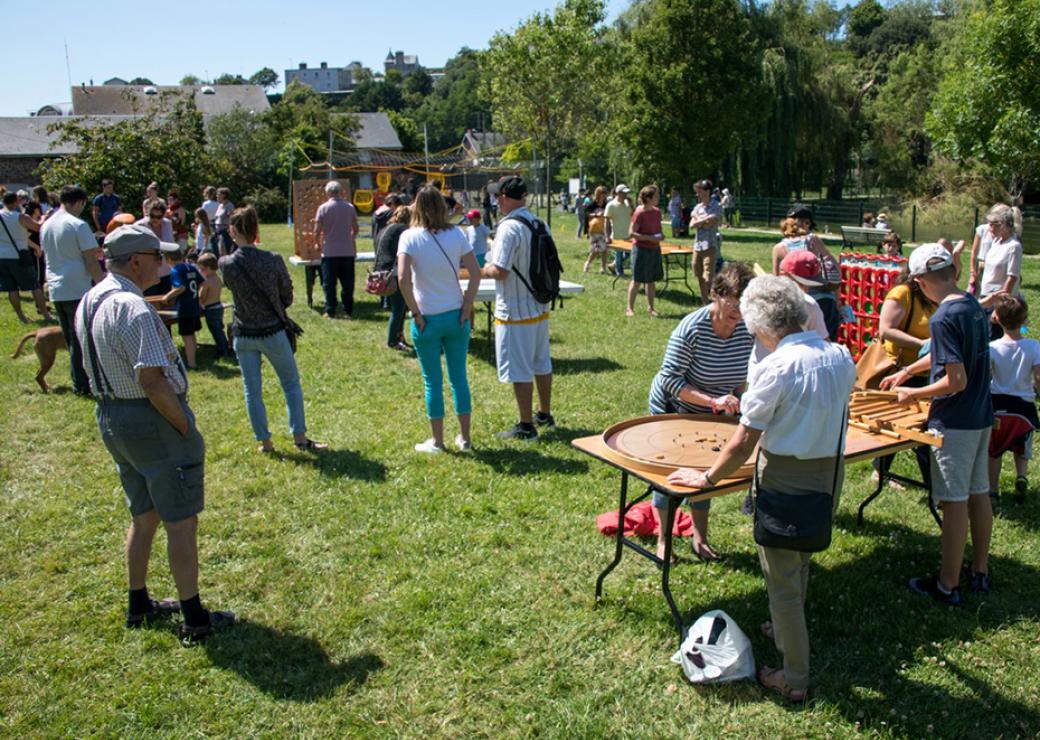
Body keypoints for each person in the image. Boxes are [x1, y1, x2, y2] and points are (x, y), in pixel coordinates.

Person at [669, 275, 854, 702]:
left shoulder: (776, 367)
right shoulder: (840, 354)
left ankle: (794, 678)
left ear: (759, 326)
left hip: (786, 476)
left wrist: (708, 479)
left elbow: (743, 440)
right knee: (801, 558)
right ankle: (785, 626)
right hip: (830, 472)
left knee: (781, 582)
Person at [75, 223, 234, 643]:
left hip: (112, 418)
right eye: (159, 257)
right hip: (152, 420)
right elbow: (151, 379)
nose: (165, 264)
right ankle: (195, 618)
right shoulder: (134, 308)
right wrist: (182, 424)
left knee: (143, 516)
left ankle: (138, 602)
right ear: (138, 261)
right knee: (181, 523)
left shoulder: (91, 299)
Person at [882, 243, 994, 603]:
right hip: (981, 416)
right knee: (979, 495)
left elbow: (955, 379)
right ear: (953, 272)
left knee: (955, 501)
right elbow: (946, 352)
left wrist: (914, 394)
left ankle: (948, 585)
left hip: (956, 421)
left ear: (919, 282)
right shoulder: (972, 306)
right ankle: (980, 571)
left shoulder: (942, 318)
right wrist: (908, 372)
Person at [648, 263, 755, 562]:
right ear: (716, 295)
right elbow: (669, 379)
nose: (739, 313)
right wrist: (712, 400)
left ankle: (700, 538)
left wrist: (738, 397)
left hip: (714, 409)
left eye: (745, 305)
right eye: (733, 303)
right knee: (668, 474)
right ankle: (663, 540)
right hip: (674, 405)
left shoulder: (748, 329)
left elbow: (745, 374)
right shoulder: (692, 327)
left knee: (706, 469)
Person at [219, 206, 327, 454]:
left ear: (232, 230)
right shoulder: (272, 260)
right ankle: (300, 438)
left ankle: (265, 442)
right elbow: (286, 297)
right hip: (272, 332)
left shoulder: (227, 264)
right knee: (291, 385)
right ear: (257, 230)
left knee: (252, 390)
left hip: (243, 333)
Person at [397, 187, 481, 452]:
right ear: (443, 208)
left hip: (427, 319)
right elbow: (476, 273)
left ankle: (438, 441)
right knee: (459, 378)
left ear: (416, 207)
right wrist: (467, 307)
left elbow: (402, 279)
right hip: (456, 316)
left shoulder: (408, 237)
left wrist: (415, 312)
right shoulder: (457, 233)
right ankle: (465, 439)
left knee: (432, 380)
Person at [482, 175, 554, 441]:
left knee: (521, 369)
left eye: (497, 197)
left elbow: (500, 270)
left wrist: (483, 268)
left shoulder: (509, 227)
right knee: (541, 362)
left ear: (503, 197)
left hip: (514, 308)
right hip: (539, 303)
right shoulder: (539, 222)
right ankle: (544, 414)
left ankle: (526, 426)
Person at [873, 263, 937, 487]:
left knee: (921, 427)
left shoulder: (935, 296)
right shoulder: (902, 294)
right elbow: (886, 330)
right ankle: (880, 471)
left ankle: (932, 483)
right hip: (898, 370)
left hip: (925, 369)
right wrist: (922, 344)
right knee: (895, 424)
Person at [40, 185, 106, 394]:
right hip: (78, 288)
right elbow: (91, 260)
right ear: (79, 202)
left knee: (71, 339)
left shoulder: (46, 225)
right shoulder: (78, 225)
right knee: (83, 340)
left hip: (56, 288)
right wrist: (103, 285)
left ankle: (80, 381)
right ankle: (84, 384)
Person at [986, 295, 1039, 503]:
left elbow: (986, 376)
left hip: (997, 406)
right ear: (1025, 319)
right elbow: (1039, 376)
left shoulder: (992, 347)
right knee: (1022, 446)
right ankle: (1022, 475)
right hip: (1023, 408)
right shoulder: (1034, 346)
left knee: (993, 452)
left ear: (996, 318)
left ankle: (992, 490)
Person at [0, 190, 50, 323]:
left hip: (2, 256)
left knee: (11, 288)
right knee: (34, 286)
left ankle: (21, 317)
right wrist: (44, 216)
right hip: (19, 255)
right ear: (16, 201)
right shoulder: (20, 217)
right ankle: (45, 315)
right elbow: (39, 227)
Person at [313, 181, 359, 319]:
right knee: (348, 282)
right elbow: (355, 228)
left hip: (330, 251)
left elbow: (317, 230)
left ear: (328, 192)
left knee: (329, 283)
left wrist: (317, 243)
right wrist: (351, 238)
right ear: (340, 192)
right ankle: (348, 309)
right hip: (347, 251)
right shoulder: (350, 207)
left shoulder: (323, 208)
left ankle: (330, 309)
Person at [977, 204, 1023, 327]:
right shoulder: (996, 241)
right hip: (986, 296)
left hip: (998, 302)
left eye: (992, 224)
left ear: (1003, 225)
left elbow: (1012, 277)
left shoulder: (1013, 246)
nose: (989, 227)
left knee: (993, 338)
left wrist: (999, 308)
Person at [374, 205, 412, 351]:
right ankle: (393, 340)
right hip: (393, 273)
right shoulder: (403, 230)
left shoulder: (386, 228)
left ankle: (399, 337)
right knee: (399, 309)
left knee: (398, 308)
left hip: (382, 272)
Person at [161, 248, 203, 369]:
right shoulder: (190, 267)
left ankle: (191, 363)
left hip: (185, 308)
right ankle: (194, 358)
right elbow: (201, 282)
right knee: (191, 334)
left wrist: (167, 296)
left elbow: (181, 287)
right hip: (194, 306)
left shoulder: (175, 270)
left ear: (168, 259)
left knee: (187, 336)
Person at [627, 185, 664, 317]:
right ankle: (629, 308)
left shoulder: (657, 212)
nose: (659, 198)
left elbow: (659, 230)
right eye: (656, 196)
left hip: (654, 249)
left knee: (651, 280)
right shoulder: (639, 212)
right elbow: (631, 233)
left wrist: (660, 236)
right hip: (640, 249)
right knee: (637, 280)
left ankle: (651, 307)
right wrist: (648, 238)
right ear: (648, 198)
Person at [689, 179, 723, 304]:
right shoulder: (698, 207)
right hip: (697, 246)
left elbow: (710, 225)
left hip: (710, 245)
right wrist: (703, 220)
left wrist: (698, 220)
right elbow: (691, 225)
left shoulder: (716, 206)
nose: (697, 194)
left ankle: (717, 300)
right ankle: (705, 303)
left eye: (700, 191)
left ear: (707, 191)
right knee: (699, 276)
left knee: (708, 278)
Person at [196, 253, 232, 359]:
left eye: (201, 269)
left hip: (210, 309)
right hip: (218, 306)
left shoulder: (206, 282)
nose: (200, 272)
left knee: (216, 331)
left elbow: (201, 296)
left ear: (208, 268)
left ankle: (223, 350)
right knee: (219, 329)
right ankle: (225, 347)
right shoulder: (217, 278)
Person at [136, 204, 176, 296]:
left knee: (166, 303)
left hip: (166, 269)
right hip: (148, 271)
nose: (155, 219)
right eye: (152, 216)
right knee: (151, 301)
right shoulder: (140, 225)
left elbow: (171, 243)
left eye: (158, 217)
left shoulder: (168, 224)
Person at [605, 185, 633, 276]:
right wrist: (607, 236)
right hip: (617, 235)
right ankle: (619, 273)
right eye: (624, 193)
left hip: (628, 235)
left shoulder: (627, 203)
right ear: (618, 193)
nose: (626, 194)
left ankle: (613, 265)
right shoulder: (611, 205)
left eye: (626, 192)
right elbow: (607, 221)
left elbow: (632, 215)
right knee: (619, 255)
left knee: (628, 254)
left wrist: (632, 205)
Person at [582, 186, 609, 274]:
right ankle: (587, 264)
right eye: (603, 192)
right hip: (595, 229)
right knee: (597, 249)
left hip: (604, 228)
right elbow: (586, 213)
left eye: (605, 192)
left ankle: (603, 268)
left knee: (604, 249)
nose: (604, 194)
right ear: (598, 194)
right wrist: (596, 214)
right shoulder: (593, 203)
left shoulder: (606, 204)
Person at [212, 188, 235, 257]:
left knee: (224, 250)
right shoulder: (220, 205)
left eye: (218, 194)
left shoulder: (229, 206)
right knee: (218, 251)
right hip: (217, 231)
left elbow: (232, 219)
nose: (216, 196)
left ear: (224, 195)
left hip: (225, 231)